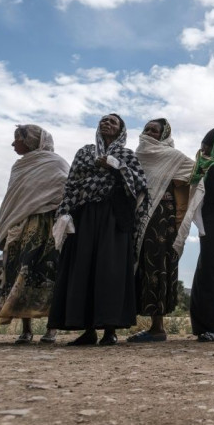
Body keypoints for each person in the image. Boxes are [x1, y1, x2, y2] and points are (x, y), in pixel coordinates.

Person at [49, 114, 148, 346]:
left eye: (113, 122)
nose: (107, 124)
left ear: (121, 130)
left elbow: (140, 184)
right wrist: (65, 211)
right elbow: (72, 182)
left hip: (114, 218)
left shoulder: (126, 155)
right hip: (84, 215)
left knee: (109, 270)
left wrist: (115, 166)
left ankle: (110, 330)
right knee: (84, 269)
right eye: (104, 120)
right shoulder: (85, 152)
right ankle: (88, 330)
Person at [0, 125, 69, 343]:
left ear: (32, 140)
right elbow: (14, 199)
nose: (14, 144)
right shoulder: (19, 166)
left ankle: (52, 329)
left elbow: (65, 189)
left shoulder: (55, 163)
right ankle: (26, 329)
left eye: (18, 139)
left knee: (45, 273)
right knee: (18, 273)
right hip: (19, 226)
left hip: (46, 226)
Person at [128, 119, 194, 343]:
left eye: (154, 131)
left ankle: (158, 327)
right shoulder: (136, 156)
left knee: (157, 266)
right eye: (146, 129)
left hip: (162, 219)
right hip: (137, 218)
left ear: (164, 135)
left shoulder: (173, 156)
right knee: (138, 267)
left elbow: (195, 173)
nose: (148, 133)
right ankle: (137, 322)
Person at [178, 127, 214, 342]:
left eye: (205, 145)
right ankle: (203, 328)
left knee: (209, 277)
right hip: (208, 231)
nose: (201, 149)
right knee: (202, 277)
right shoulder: (207, 169)